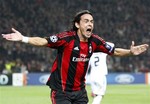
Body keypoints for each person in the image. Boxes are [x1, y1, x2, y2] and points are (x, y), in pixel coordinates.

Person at [2, 10, 149, 104]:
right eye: (86, 21)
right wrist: (23, 39)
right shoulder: (66, 38)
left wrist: (130, 52)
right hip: (61, 92)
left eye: (92, 21)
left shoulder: (95, 41)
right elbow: (44, 41)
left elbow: (114, 51)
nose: (90, 23)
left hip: (80, 92)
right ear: (77, 24)